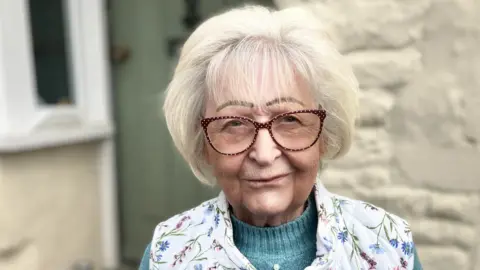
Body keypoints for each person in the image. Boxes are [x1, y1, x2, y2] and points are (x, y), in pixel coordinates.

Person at [140, 5, 422, 270]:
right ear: (202, 143)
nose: (264, 155)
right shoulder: (168, 255)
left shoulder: (385, 247)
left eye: (290, 119)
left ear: (324, 134)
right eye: (235, 123)